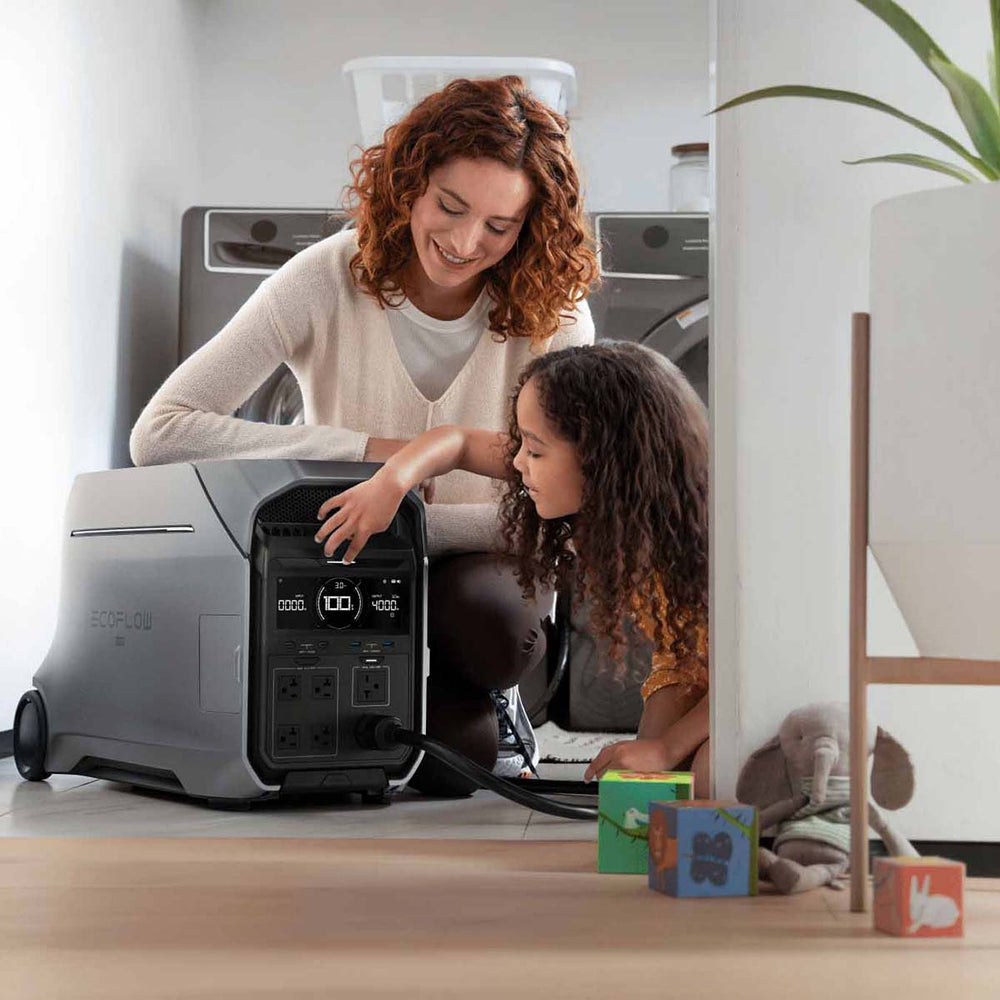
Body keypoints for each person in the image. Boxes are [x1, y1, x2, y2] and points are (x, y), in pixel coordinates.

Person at [129, 76, 598, 795]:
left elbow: (576, 505)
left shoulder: (554, 312)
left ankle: (491, 695)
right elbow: (160, 433)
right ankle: (439, 707)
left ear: (529, 226)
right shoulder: (327, 277)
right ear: (410, 182)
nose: (467, 242)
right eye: (449, 206)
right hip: (341, 551)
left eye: (499, 227)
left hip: (480, 570)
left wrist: (412, 517)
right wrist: (362, 453)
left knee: (483, 661)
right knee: (429, 762)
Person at [314, 341, 711, 794]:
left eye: (536, 452)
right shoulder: (618, 495)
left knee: (709, 775)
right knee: (646, 788)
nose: (519, 461)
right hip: (688, 671)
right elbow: (459, 442)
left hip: (753, 681)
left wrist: (666, 748)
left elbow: (746, 672)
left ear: (602, 461)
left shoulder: (703, 540)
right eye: (521, 443)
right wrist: (390, 482)